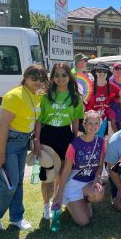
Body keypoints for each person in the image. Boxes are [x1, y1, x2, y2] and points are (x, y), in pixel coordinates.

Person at [0, 65, 47, 230]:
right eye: (34, 79)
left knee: (17, 183)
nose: (37, 83)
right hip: (8, 141)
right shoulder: (14, 96)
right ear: (25, 78)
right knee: (8, 184)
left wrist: (35, 141)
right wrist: (0, 153)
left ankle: (16, 218)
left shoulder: (35, 95)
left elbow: (35, 120)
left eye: (41, 79)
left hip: (22, 142)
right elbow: (3, 126)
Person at [34, 63, 84, 220]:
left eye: (64, 75)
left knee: (62, 173)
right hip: (47, 135)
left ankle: (57, 200)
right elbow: (38, 121)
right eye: (57, 75)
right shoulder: (44, 96)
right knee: (48, 175)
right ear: (52, 77)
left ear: (69, 76)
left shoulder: (76, 97)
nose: (60, 78)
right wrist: (36, 140)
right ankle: (45, 205)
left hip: (65, 136)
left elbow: (76, 122)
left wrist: (75, 140)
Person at [52, 110, 105, 226]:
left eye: (96, 123)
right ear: (84, 125)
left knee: (98, 194)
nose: (93, 126)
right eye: (90, 123)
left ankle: (85, 202)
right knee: (84, 221)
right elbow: (66, 170)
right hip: (74, 183)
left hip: (89, 182)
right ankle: (69, 200)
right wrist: (59, 195)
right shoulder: (75, 143)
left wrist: (97, 180)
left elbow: (100, 165)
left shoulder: (101, 142)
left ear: (99, 125)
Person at [85, 62, 121, 136]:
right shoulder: (88, 86)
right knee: (89, 141)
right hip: (89, 120)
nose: (102, 73)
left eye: (104, 71)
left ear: (107, 73)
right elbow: (82, 103)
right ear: (95, 72)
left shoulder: (113, 87)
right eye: (99, 71)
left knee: (100, 142)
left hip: (104, 121)